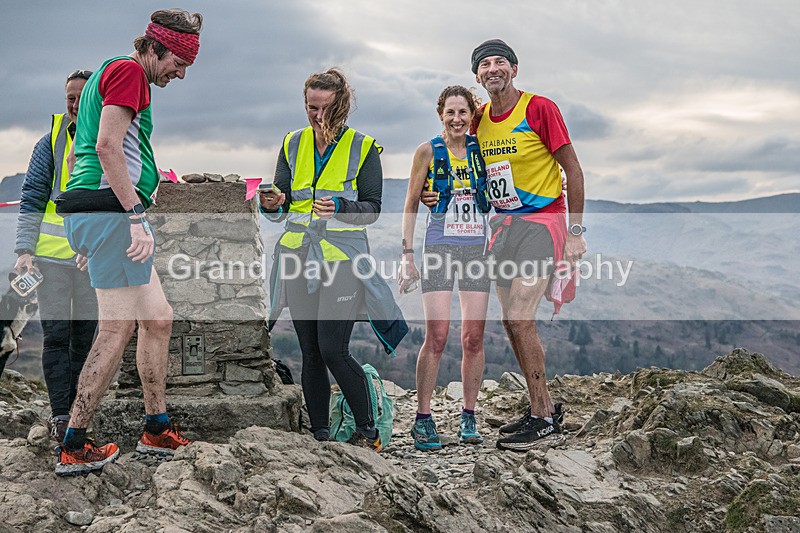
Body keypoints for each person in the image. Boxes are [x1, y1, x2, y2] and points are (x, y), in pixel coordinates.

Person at [52, 8, 202, 476]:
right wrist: (132, 215)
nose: (179, 74)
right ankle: (74, 441)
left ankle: (156, 428)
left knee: (157, 318)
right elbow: (105, 147)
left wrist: (88, 224)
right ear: (155, 48)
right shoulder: (130, 73)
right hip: (116, 216)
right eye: (178, 62)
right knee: (116, 329)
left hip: (102, 214)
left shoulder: (110, 71)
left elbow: (84, 151)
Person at [262, 68, 407, 452]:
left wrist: (342, 206)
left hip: (341, 258)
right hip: (297, 255)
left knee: (333, 349)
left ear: (341, 105)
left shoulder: (363, 147)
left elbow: (372, 209)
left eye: (326, 108)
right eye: (312, 107)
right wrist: (272, 203)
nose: (318, 116)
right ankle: (321, 435)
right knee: (309, 349)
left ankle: (368, 432)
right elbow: (284, 202)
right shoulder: (292, 143)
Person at [470, 39, 586, 451]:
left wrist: (575, 232)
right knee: (508, 321)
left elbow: (572, 167)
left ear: (514, 69)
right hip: (504, 228)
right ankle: (545, 406)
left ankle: (542, 420)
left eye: (500, 61)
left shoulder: (539, 108)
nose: (493, 68)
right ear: (477, 77)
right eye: (484, 64)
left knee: (521, 316)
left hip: (543, 222)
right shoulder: (478, 118)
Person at [399, 86, 491, 451]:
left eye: (463, 112)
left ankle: (469, 415)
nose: (456, 119)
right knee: (436, 337)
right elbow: (410, 205)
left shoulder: (480, 151)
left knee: (473, 338)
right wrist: (407, 256)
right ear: (441, 115)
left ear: (472, 115)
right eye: (450, 112)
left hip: (476, 251)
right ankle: (423, 419)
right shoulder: (427, 151)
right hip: (439, 248)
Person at [13, 70, 98, 443]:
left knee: (85, 339)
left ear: (95, 98)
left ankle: (81, 414)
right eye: (69, 97)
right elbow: (32, 197)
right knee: (56, 336)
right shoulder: (48, 143)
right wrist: (24, 251)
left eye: (81, 97)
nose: (74, 104)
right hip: (50, 259)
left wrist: (95, 245)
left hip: (91, 260)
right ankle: (61, 416)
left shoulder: (107, 137)